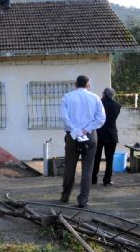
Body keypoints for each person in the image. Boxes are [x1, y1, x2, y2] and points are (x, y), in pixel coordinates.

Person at [60, 75, 106, 208]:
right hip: (90, 135)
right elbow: (101, 118)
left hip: (72, 135)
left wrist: (75, 130)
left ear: (75, 83)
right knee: (88, 168)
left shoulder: (67, 97)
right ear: (88, 84)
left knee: (69, 166)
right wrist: (88, 129)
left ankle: (65, 196)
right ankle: (83, 200)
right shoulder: (95, 97)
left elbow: (64, 117)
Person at [92, 87, 121, 186]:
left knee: (96, 157)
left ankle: (93, 179)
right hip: (111, 135)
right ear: (113, 95)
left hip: (98, 134)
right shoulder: (117, 106)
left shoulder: (98, 103)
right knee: (110, 159)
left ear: (104, 94)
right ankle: (107, 180)